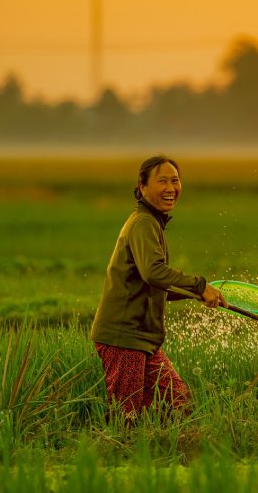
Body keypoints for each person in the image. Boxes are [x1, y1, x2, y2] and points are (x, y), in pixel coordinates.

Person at [90, 155, 225, 423]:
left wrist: (196, 294)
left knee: (178, 401)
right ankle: (117, 458)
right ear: (142, 187)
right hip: (124, 337)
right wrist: (199, 284)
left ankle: (163, 452)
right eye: (162, 181)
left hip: (143, 340)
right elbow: (154, 272)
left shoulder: (152, 222)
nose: (170, 188)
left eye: (175, 180)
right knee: (125, 415)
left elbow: (154, 282)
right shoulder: (143, 223)